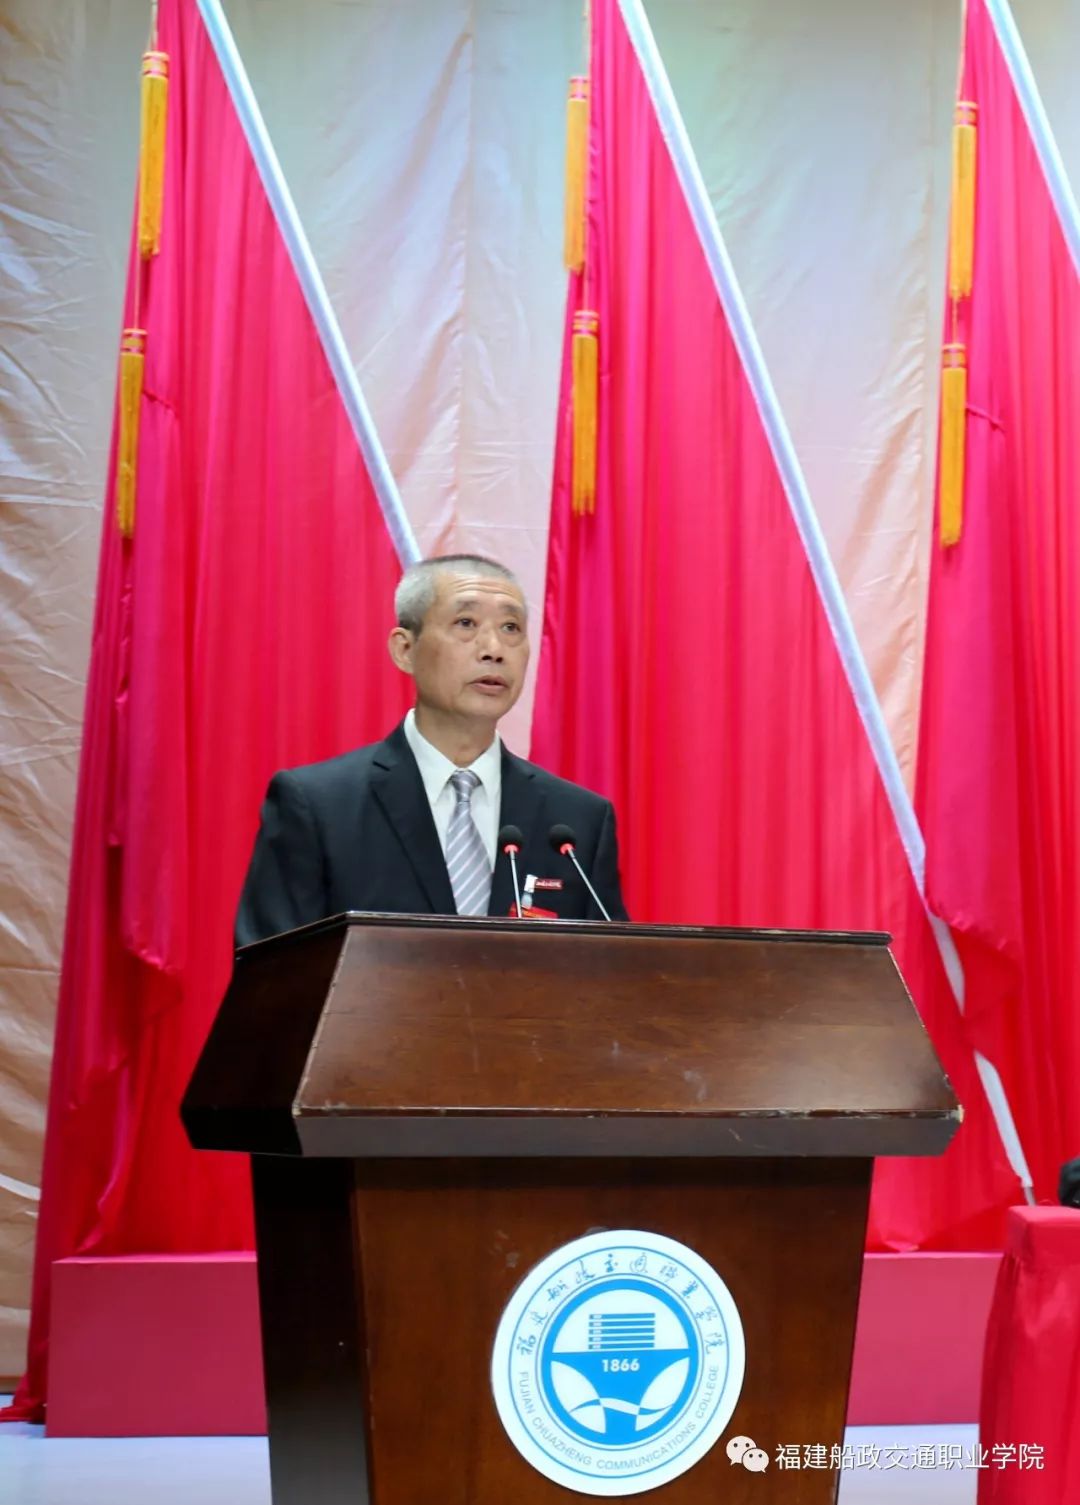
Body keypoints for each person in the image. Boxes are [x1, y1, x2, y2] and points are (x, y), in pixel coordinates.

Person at [235, 554, 627, 945]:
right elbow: (273, 974)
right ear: (405, 649)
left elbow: (612, 971)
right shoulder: (320, 806)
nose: (493, 649)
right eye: (466, 623)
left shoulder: (577, 823)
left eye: (511, 628)